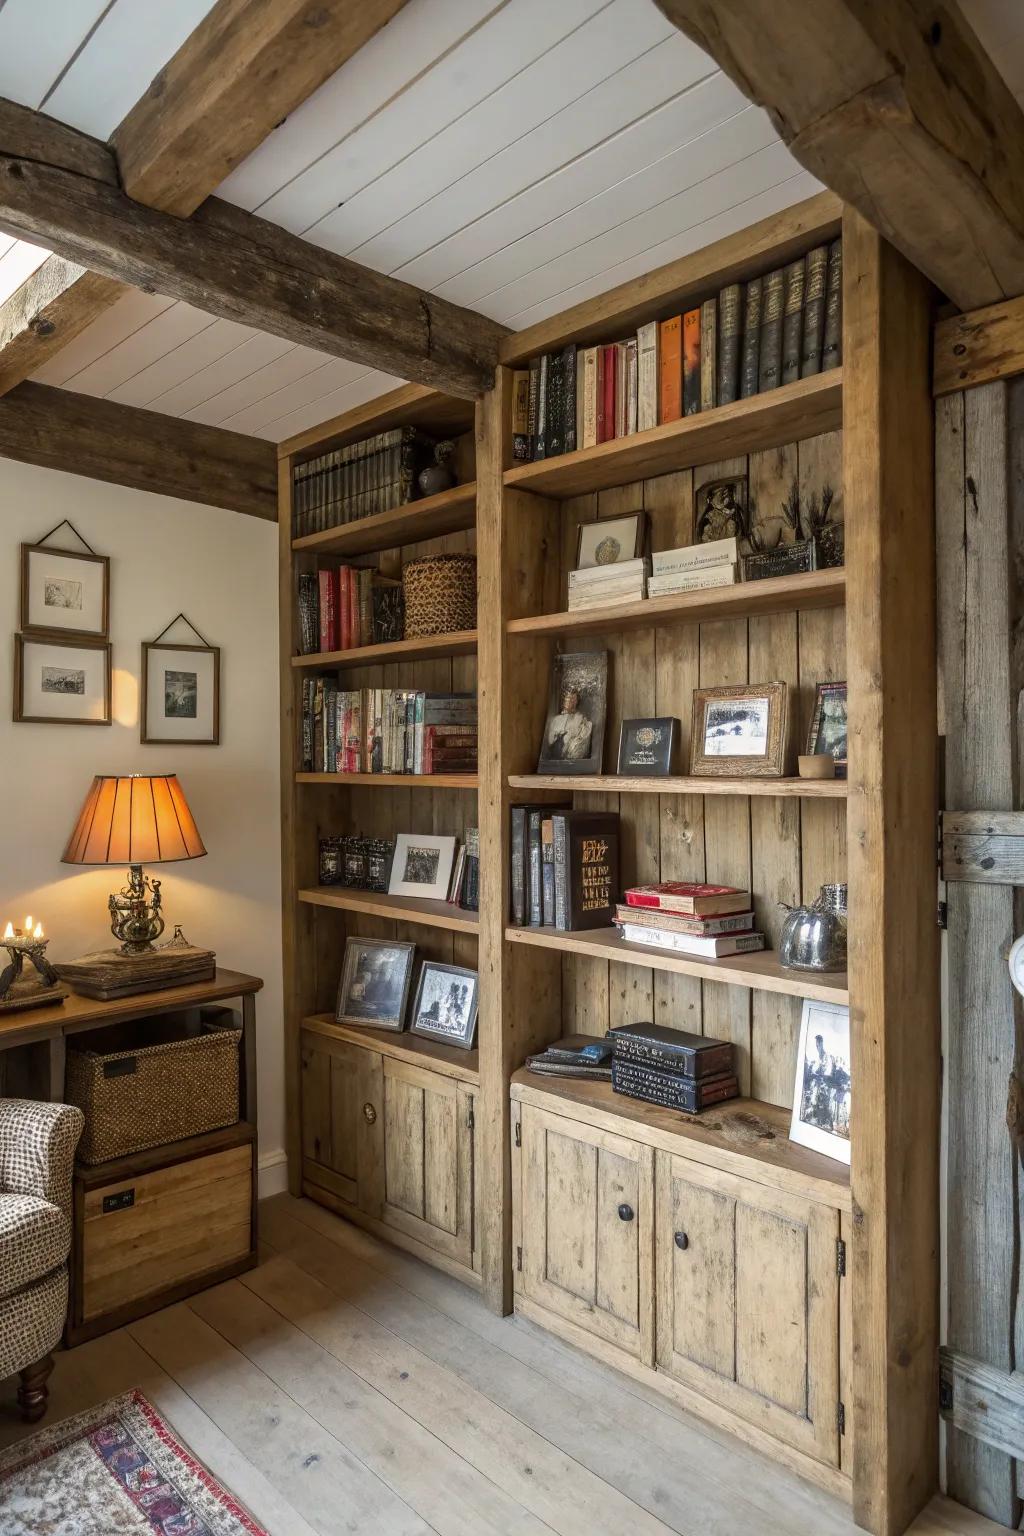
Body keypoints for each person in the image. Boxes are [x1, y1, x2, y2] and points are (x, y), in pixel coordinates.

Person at [546, 687, 593, 762]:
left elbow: (581, 743)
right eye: (568, 698)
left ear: (577, 702)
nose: (571, 701)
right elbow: (550, 741)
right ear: (564, 700)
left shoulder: (581, 719)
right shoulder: (555, 720)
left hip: (573, 758)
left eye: (573, 699)